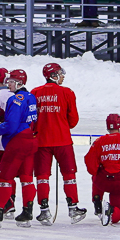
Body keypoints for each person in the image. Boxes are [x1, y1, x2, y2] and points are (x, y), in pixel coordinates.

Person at [33, 62, 87, 224]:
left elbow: (31, 119)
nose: (63, 76)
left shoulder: (35, 93)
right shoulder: (67, 93)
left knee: (42, 176)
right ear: (53, 76)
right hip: (62, 140)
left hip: (41, 141)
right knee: (69, 175)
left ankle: (44, 210)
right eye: (60, 73)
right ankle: (73, 207)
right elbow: (73, 120)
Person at [0, 69, 40, 227]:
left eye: (10, 81)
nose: (7, 83)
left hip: (17, 141)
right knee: (26, 178)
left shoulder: (16, 99)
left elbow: (12, 124)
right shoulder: (31, 97)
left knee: (5, 177)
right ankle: (27, 211)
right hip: (30, 139)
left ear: (19, 83)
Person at [84, 113, 120, 225]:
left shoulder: (99, 142)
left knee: (96, 175)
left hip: (103, 181)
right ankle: (111, 210)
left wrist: (98, 171)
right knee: (117, 214)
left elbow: (91, 164)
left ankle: (97, 200)